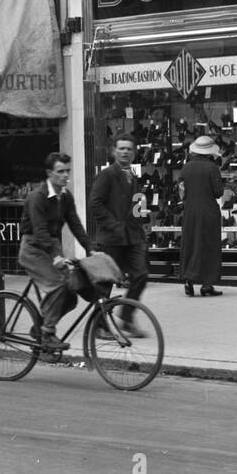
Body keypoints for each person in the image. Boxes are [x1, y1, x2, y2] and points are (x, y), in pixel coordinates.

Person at [18, 152, 96, 353]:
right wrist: (56, 257)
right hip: (33, 249)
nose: (65, 175)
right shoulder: (38, 197)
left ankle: (40, 328)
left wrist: (90, 248)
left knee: (71, 295)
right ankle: (47, 333)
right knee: (58, 284)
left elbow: (75, 224)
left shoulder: (65, 196)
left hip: (51, 246)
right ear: (49, 173)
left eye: (67, 171)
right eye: (60, 171)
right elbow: (40, 231)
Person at [89, 134, 149, 333]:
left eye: (129, 149)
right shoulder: (107, 175)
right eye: (121, 148)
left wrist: (142, 219)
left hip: (132, 237)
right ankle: (99, 325)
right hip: (112, 238)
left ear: (134, 153)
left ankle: (127, 317)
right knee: (106, 281)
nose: (125, 152)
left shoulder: (131, 175)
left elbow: (135, 204)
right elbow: (95, 203)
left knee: (140, 274)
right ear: (114, 151)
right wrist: (113, 225)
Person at [178, 134, 224, 296]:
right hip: (208, 211)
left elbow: (182, 190)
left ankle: (188, 279)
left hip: (190, 211)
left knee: (191, 244)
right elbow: (218, 192)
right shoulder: (212, 168)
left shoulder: (186, 167)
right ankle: (207, 284)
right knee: (209, 246)